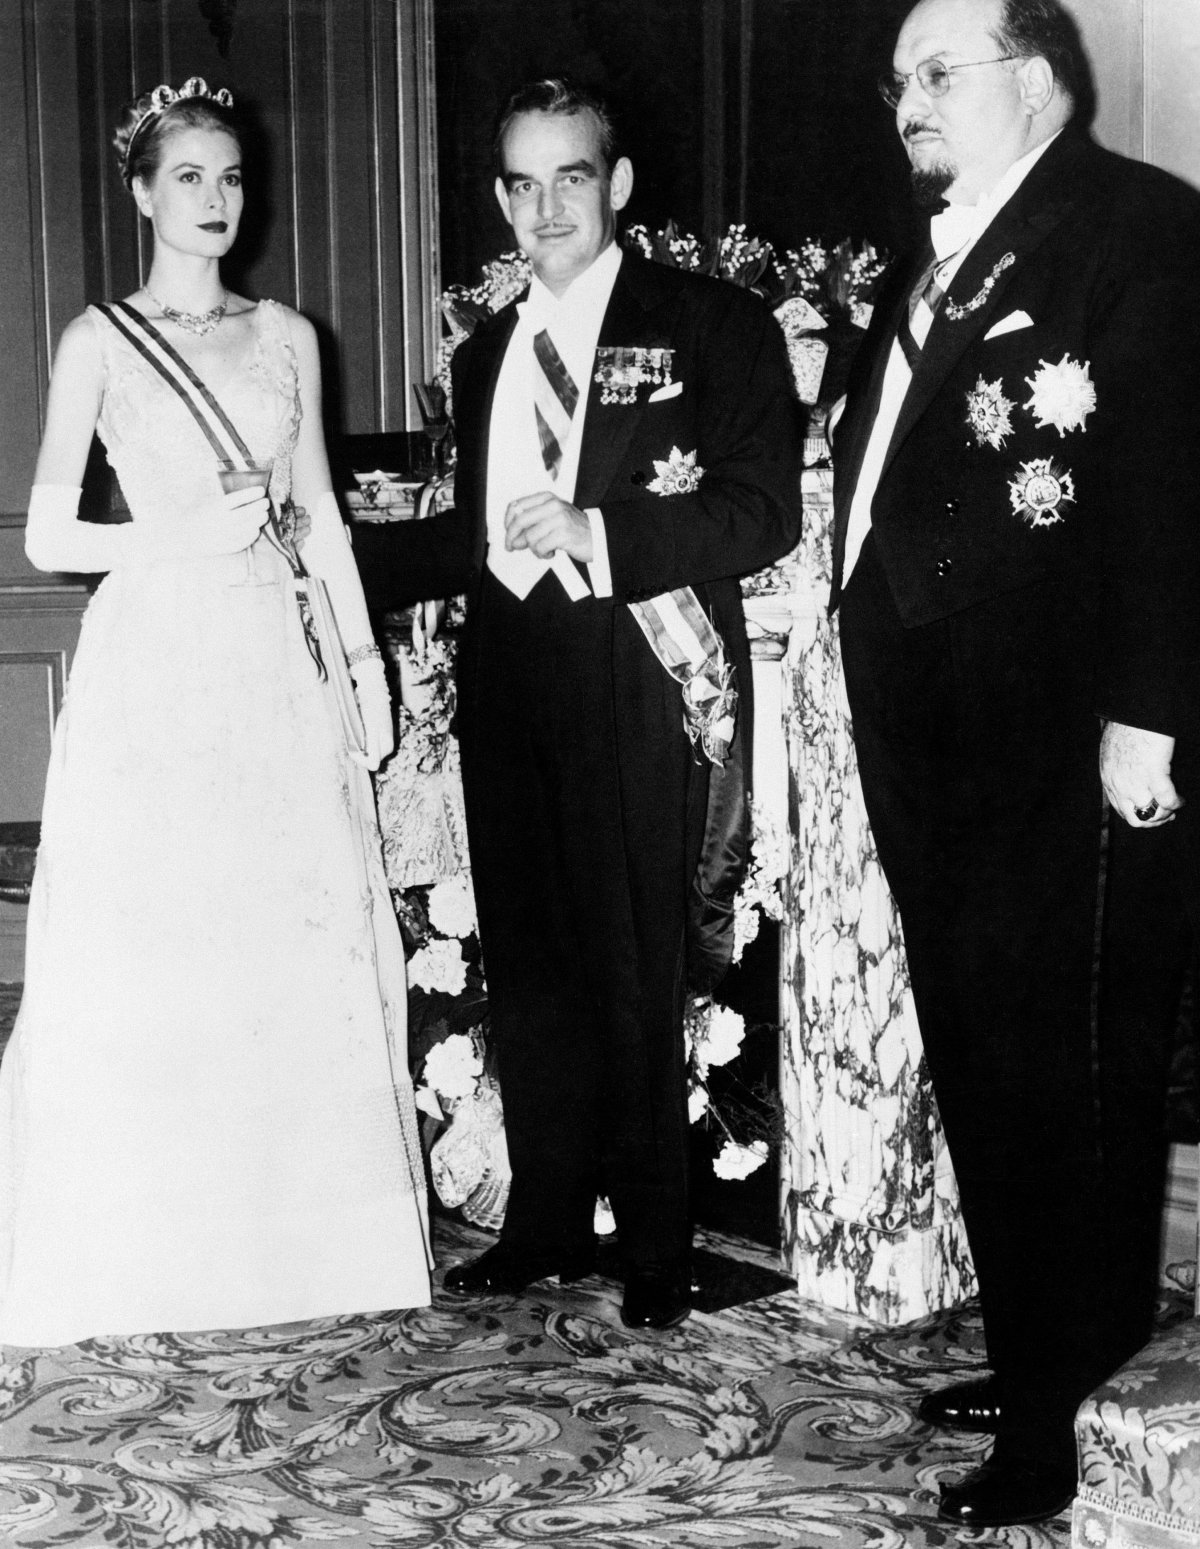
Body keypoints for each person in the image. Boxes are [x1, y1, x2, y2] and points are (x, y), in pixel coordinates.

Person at [829, 0, 1200, 1527]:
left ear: (1037, 80)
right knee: (984, 1052)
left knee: (1067, 1072)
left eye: (940, 74)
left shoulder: (1139, 230)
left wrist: (1152, 713)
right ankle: (1048, 1348)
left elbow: (1177, 486)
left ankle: (1057, 1421)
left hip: (1066, 730)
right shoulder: (946, 244)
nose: (908, 101)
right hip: (939, 723)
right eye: (899, 80)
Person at [354, 78, 801, 1331]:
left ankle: (659, 1243)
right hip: (512, 674)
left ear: (618, 184)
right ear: (499, 197)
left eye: (570, 177)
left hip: (639, 673)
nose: (545, 206)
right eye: (521, 182)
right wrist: (325, 552)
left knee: (633, 960)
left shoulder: (713, 325)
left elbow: (768, 509)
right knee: (535, 959)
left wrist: (603, 527)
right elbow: (477, 540)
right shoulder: (486, 350)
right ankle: (547, 1221)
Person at [0, 77, 431, 1346]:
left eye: (231, 177)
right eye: (188, 177)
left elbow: (323, 523)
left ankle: (291, 1250)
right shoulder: (97, 342)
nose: (215, 200)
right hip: (157, 660)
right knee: (165, 941)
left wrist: (363, 668)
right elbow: (44, 535)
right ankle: (151, 1244)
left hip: (270, 656)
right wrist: (175, 530)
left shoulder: (289, 336)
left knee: (276, 935)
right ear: (142, 192)